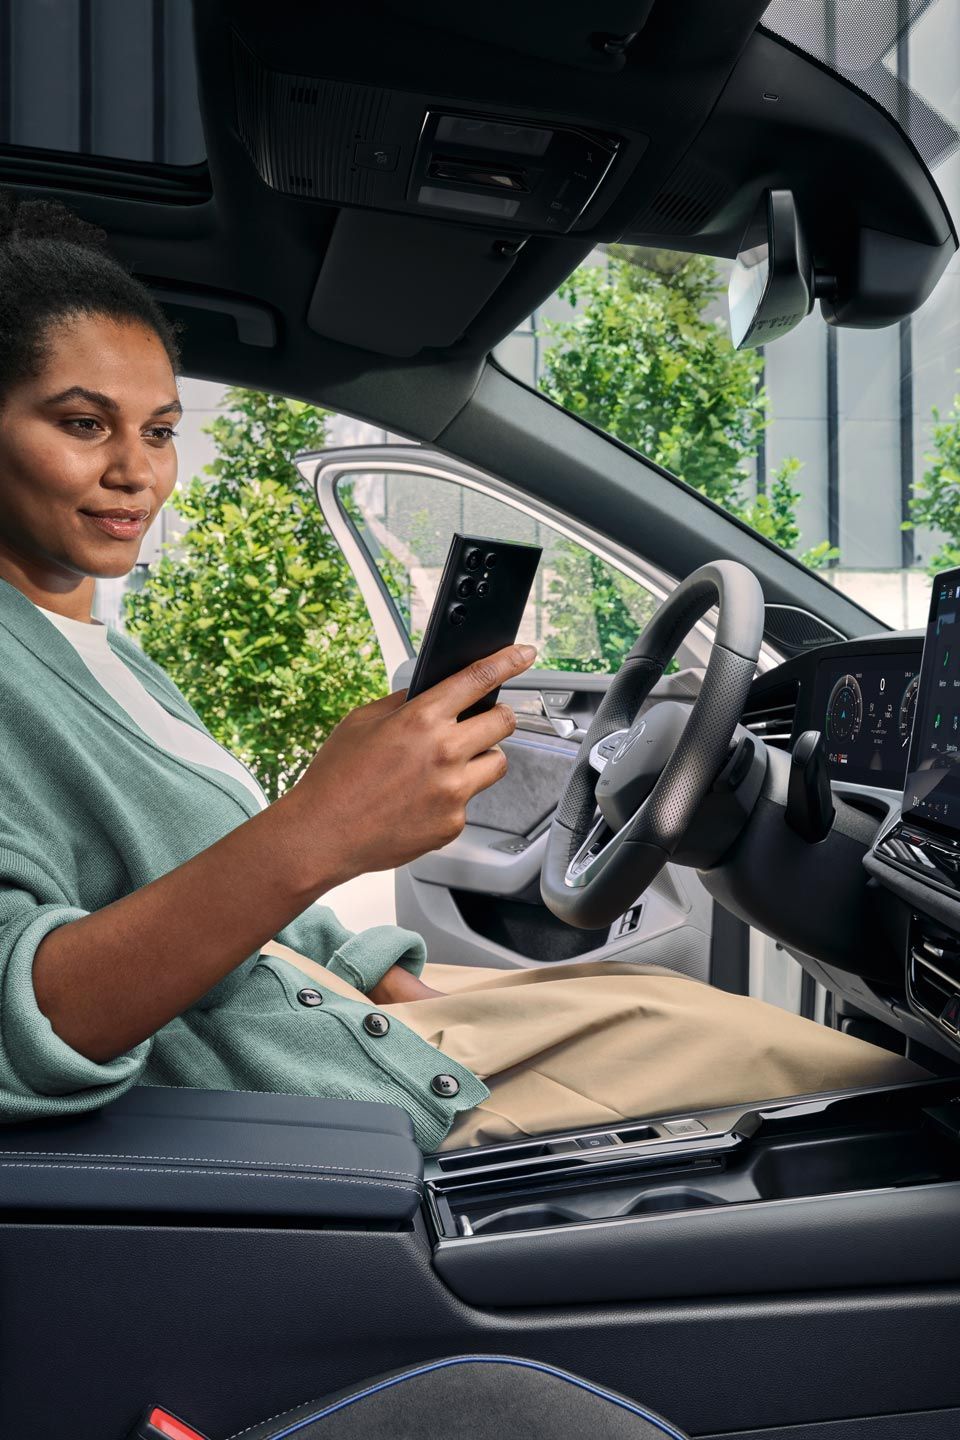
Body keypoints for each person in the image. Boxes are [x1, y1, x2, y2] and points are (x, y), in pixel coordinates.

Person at [0, 191, 926, 1155]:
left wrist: (398, 985)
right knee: (876, 1094)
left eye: (157, 431)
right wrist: (323, 828)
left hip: (343, 1032)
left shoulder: (104, 654)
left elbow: (198, 888)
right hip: (292, 1116)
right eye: (82, 424)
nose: (139, 473)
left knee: (662, 1001)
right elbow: (19, 1028)